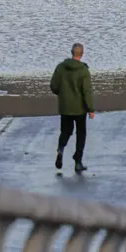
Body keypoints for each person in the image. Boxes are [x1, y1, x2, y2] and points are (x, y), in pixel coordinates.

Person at [50, 43, 94, 173]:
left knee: (66, 131)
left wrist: (63, 95)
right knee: (81, 133)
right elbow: (86, 91)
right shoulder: (83, 70)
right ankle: (78, 161)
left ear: (71, 52)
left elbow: (53, 85)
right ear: (82, 53)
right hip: (80, 108)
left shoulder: (61, 68)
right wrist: (91, 109)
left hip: (65, 107)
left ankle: (61, 148)